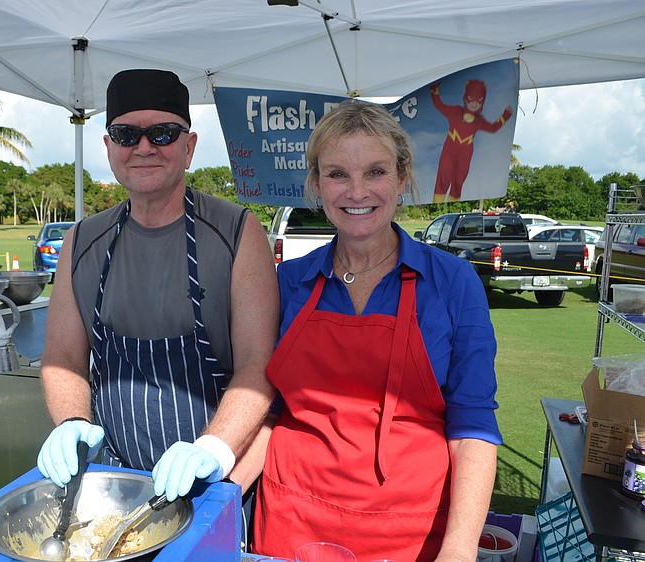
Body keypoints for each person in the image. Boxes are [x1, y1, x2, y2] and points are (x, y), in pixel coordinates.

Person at [250, 100, 502, 561]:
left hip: (412, 531)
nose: (356, 191)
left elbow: (473, 427)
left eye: (376, 172)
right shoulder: (288, 282)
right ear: (316, 185)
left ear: (402, 178)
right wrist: (215, 496)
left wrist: (460, 547)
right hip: (291, 522)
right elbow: (266, 412)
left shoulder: (452, 282)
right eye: (338, 174)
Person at [35, 69, 279, 508]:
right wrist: (71, 421)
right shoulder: (82, 241)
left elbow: (258, 365)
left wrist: (214, 452)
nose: (144, 147)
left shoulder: (238, 232)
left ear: (189, 147)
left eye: (163, 133)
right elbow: (63, 357)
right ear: (109, 149)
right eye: (126, 134)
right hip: (113, 482)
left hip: (213, 483)